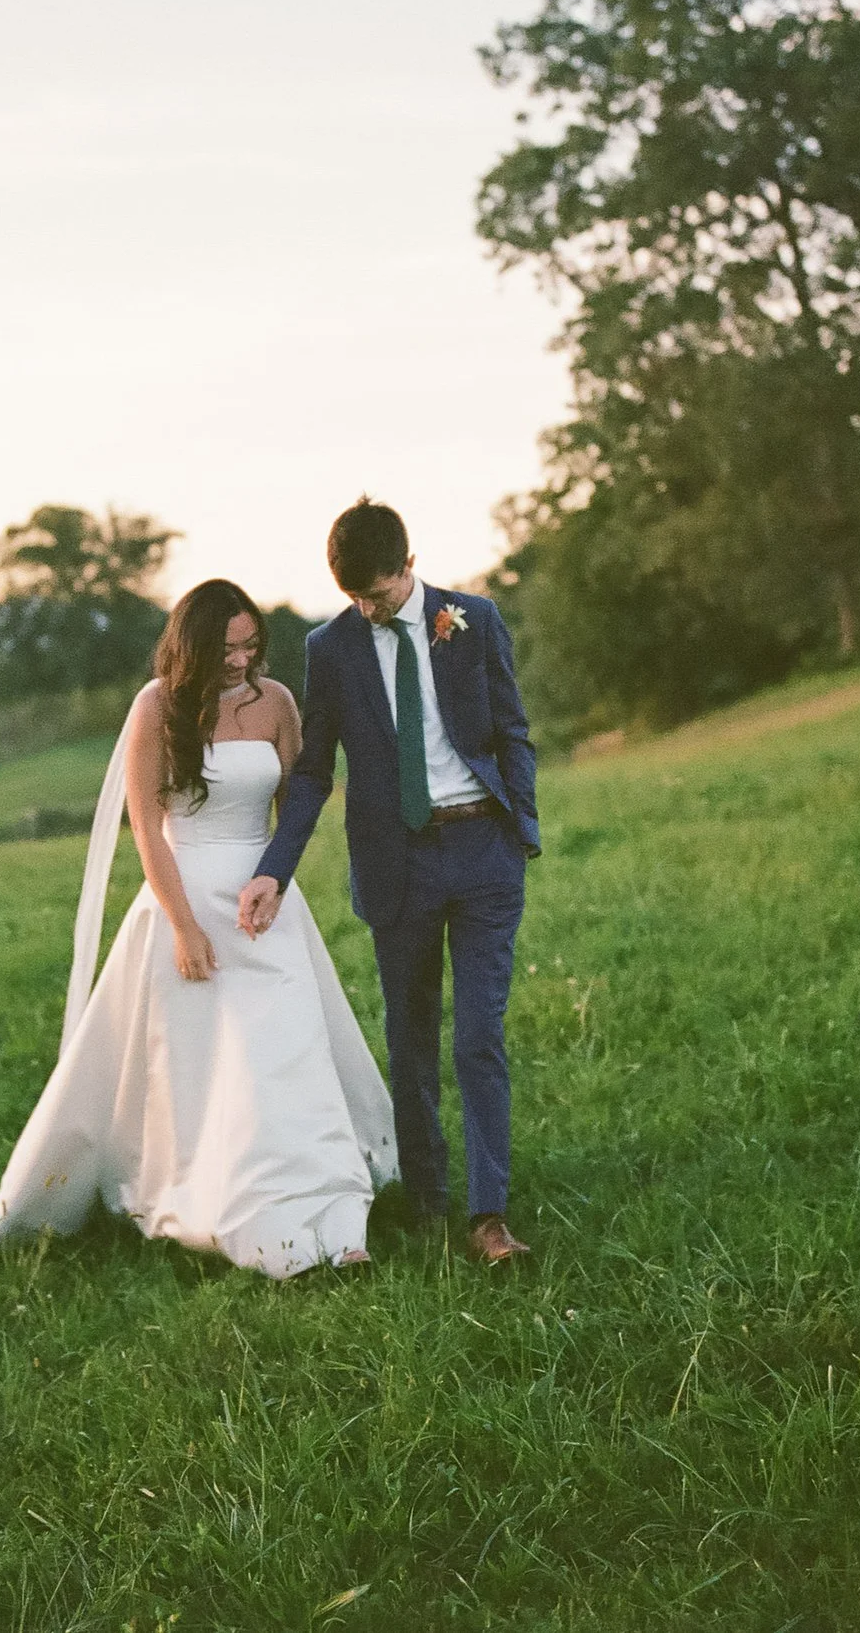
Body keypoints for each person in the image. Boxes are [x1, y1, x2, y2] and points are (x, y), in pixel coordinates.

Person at [0, 579, 397, 1278]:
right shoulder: (157, 706)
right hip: (188, 897)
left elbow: (297, 803)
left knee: (290, 1055)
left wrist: (277, 880)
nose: (241, 659)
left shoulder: (278, 703)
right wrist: (182, 924)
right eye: (226, 647)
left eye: (251, 644)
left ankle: (331, 1210)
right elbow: (147, 823)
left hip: (264, 904)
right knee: (211, 1070)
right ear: (192, 645)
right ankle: (239, 1204)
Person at [237, 500, 539, 1265]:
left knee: (478, 1037)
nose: (369, 609)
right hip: (395, 862)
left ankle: (489, 1216)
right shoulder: (330, 648)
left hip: (482, 853)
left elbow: (511, 730)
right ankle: (429, 1202)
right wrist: (274, 868)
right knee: (409, 1043)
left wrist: (521, 829)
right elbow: (313, 772)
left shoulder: (472, 620)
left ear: (410, 564)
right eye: (355, 599)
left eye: (379, 593)